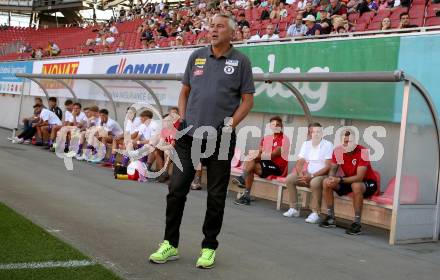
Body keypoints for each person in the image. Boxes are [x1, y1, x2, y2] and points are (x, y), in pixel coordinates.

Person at [149, 13, 255, 269]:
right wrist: (183, 119)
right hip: (189, 138)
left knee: (216, 196)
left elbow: (248, 100)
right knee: (176, 190)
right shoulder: (196, 56)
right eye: (211, 26)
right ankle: (169, 244)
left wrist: (229, 125)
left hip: (220, 139)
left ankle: (208, 247)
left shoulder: (241, 61)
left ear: (232, 32)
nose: (213, 30)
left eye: (219, 26)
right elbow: (184, 92)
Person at [319, 129, 379, 235]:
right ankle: (330, 217)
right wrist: (332, 178)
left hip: (369, 183)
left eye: (350, 141)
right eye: (345, 141)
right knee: (326, 182)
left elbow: (359, 177)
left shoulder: (363, 151)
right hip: (349, 180)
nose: (347, 144)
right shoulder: (338, 151)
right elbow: (333, 169)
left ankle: (357, 223)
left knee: (356, 186)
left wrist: (340, 179)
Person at [283, 123, 333, 224]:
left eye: (317, 132)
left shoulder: (328, 145)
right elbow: (299, 162)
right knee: (290, 178)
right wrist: (301, 174)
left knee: (314, 182)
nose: (315, 134)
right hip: (308, 175)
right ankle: (294, 208)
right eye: (312, 132)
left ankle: (316, 213)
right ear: (309, 134)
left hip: (321, 176)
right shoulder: (306, 144)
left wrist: (312, 176)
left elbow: (328, 166)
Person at [234, 116, 290, 206]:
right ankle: (246, 195)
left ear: (281, 126)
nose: (275, 126)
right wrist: (253, 156)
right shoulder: (266, 138)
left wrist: (255, 156)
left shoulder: (284, 139)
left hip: (278, 167)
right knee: (251, 164)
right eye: (273, 125)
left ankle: (243, 179)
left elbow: (272, 155)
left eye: (278, 125)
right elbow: (259, 151)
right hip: (265, 163)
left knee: (251, 162)